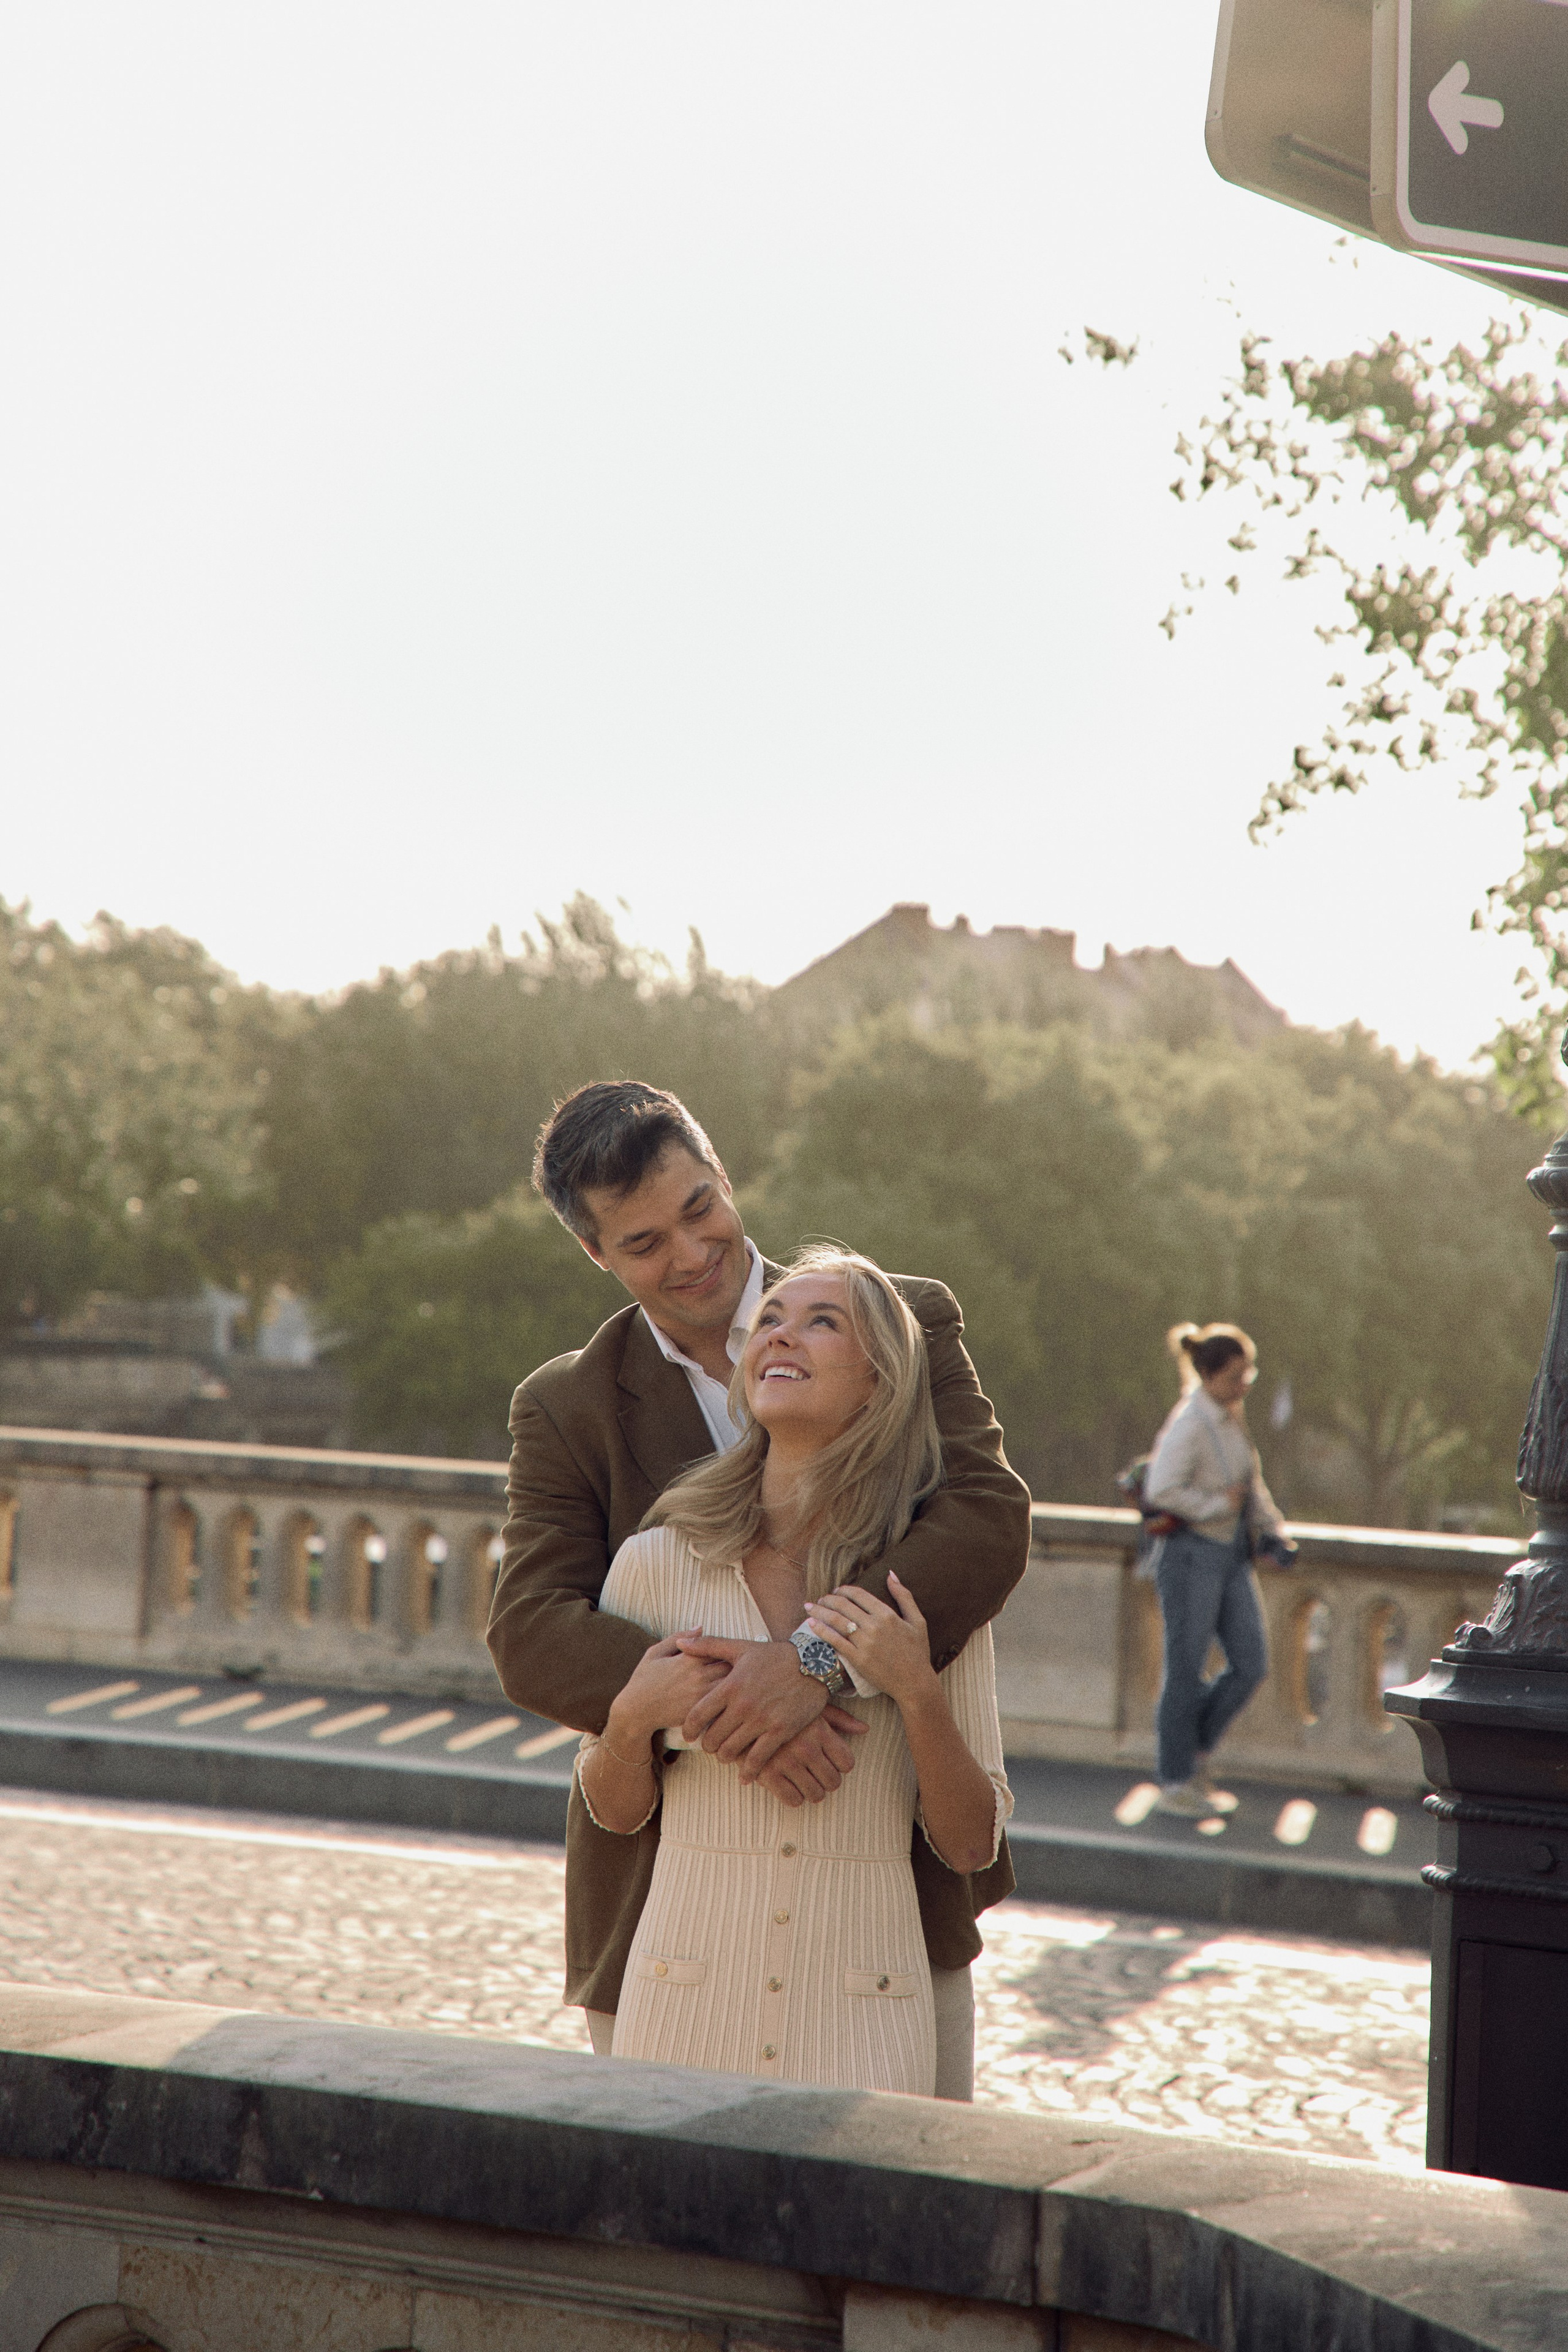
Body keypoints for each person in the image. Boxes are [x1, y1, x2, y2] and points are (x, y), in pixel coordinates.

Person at [487, 1080, 1033, 2098]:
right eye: (645, 1243)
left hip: (895, 1903)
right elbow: (530, 1631)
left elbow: (986, 1521)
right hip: (660, 1904)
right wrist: (736, 1699)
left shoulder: (902, 1321)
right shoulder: (565, 1407)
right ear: (596, 1255)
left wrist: (817, 1666)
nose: (692, 1255)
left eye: (701, 1209)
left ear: (726, 1180)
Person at [577, 1247, 1012, 2094]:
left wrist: (915, 1692)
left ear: (881, 1383)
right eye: (771, 1319)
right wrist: (633, 1719)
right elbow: (614, 1812)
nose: (781, 1334)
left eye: (823, 1321)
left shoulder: (920, 1597)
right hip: (680, 1998)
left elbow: (969, 1844)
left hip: (870, 2011)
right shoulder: (654, 1562)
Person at [1142, 1321, 1291, 1819]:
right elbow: (1161, 1489)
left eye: (1249, 1373)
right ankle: (1175, 1779)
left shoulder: (1231, 1418)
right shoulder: (1191, 1422)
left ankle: (1195, 1751)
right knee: (1184, 1669)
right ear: (1209, 1375)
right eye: (1236, 1375)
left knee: (1252, 1664)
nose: (1245, 1383)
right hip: (1189, 1556)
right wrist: (1214, 1504)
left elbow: (1252, 1485)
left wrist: (1275, 1530)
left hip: (1229, 1555)